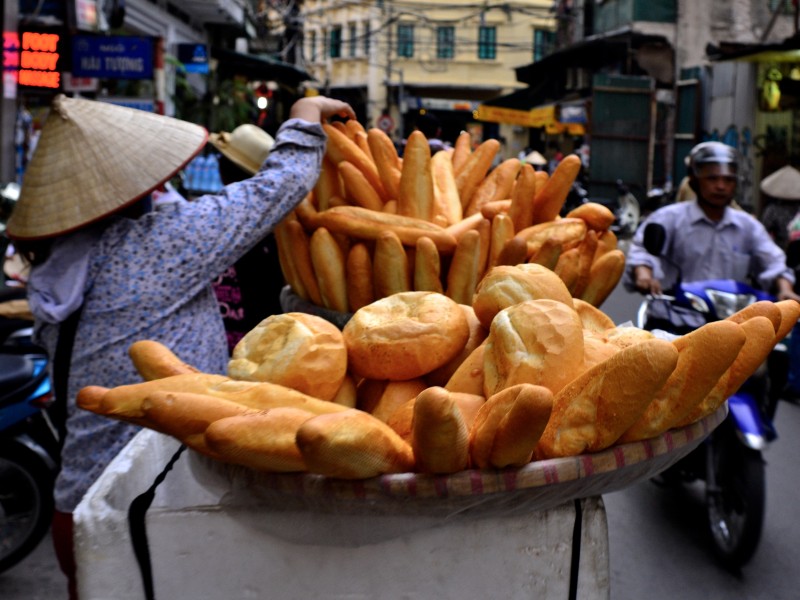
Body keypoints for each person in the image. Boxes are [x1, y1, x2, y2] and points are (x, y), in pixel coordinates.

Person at [5, 93, 355, 599]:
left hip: (78, 507)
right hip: (148, 513)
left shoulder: (58, 268)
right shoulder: (157, 245)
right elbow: (278, 188)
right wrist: (303, 116)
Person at [626, 141, 800, 304]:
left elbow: (774, 261)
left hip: (731, 319)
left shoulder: (748, 226)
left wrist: (785, 289)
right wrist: (644, 275)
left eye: (728, 180)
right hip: (676, 312)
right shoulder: (668, 218)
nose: (721, 186)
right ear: (694, 181)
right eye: (712, 179)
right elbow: (642, 251)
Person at [207, 123, 284, 353]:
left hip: (216, 351)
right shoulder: (278, 233)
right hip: (260, 353)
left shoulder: (206, 221)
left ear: (222, 171)